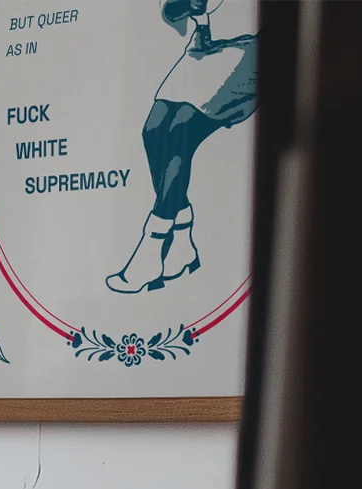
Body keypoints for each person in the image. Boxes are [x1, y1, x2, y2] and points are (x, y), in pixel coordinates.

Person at [107, 0, 258, 295]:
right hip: (205, 42)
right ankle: (182, 240)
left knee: (180, 130)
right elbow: (172, 11)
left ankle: (152, 247)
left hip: (251, 49)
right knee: (154, 129)